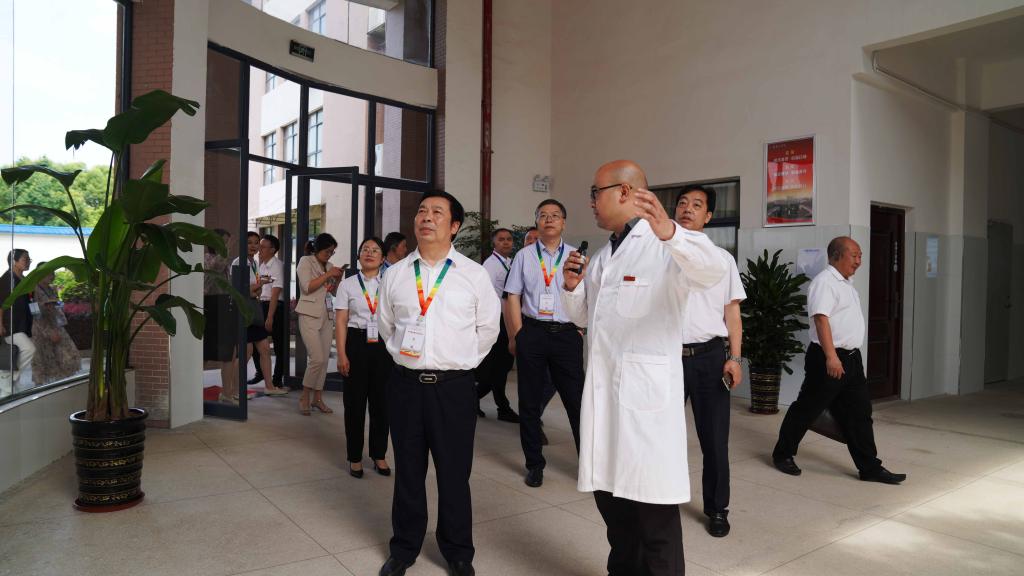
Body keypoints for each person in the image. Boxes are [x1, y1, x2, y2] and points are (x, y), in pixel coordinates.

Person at [561, 160, 726, 576]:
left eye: (595, 192)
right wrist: (572, 289)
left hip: (644, 408)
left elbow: (711, 270)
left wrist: (670, 232)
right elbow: (586, 320)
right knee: (616, 515)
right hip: (605, 402)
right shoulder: (604, 256)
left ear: (624, 192)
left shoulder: (666, 243)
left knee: (654, 520)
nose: (591, 202)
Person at [376, 190, 500, 576]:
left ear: (454, 226)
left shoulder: (473, 274)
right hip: (406, 387)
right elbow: (386, 326)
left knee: (454, 473)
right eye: (422, 211)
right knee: (408, 471)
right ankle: (404, 547)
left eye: (437, 212)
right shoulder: (396, 274)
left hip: (453, 388)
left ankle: (458, 551)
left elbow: (488, 329)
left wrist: (458, 363)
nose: (426, 217)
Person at [772, 237, 907, 485]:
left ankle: (870, 468)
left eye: (860, 255)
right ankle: (783, 454)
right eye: (854, 255)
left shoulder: (846, 284)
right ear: (836, 256)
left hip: (851, 359)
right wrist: (831, 356)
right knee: (807, 408)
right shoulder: (825, 282)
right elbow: (821, 319)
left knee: (860, 413)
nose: (859, 261)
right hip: (829, 357)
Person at [674, 185, 746, 537]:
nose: (687, 209)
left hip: (710, 358)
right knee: (661, 435)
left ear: (709, 216)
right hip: (666, 359)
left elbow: (732, 313)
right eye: (682, 203)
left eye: (697, 205)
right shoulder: (660, 256)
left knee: (715, 440)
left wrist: (735, 358)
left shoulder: (722, 260)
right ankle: (659, 501)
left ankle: (717, 509)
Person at [505, 199, 584, 488]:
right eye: (543, 215)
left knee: (577, 401)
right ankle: (534, 464)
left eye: (555, 215)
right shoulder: (524, 255)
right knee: (529, 401)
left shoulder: (576, 255)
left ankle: (588, 465)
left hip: (567, 334)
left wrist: (580, 328)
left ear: (564, 222)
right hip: (533, 332)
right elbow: (513, 295)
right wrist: (518, 334)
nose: (549, 219)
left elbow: (585, 294)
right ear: (537, 221)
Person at [335, 236, 393, 479]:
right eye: (365, 249)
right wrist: (341, 354)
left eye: (375, 250)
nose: (369, 253)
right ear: (359, 255)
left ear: (383, 257)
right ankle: (355, 457)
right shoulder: (347, 284)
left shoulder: (390, 283)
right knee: (354, 404)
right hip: (356, 343)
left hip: (383, 345)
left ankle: (379, 454)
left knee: (382, 404)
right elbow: (341, 321)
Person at [231, 232, 289, 400]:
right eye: (249, 242)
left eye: (256, 243)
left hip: (254, 309)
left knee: (264, 349)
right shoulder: (239, 262)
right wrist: (260, 284)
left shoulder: (255, 263)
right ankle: (234, 391)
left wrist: (257, 287)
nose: (254, 246)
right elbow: (240, 290)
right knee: (246, 353)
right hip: (244, 310)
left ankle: (269, 387)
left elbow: (254, 291)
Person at [296, 233, 345, 415]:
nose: (329, 255)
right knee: (316, 358)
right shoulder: (305, 261)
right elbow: (307, 287)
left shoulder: (330, 266)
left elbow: (334, 292)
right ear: (317, 249)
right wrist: (328, 275)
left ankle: (317, 398)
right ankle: (304, 396)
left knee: (324, 360)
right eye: (327, 251)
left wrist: (337, 280)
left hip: (327, 314)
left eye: (332, 252)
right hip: (309, 313)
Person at [474, 227, 519, 422]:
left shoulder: (511, 262)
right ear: (494, 243)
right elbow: (486, 295)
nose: (506, 242)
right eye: (501, 239)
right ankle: (482, 401)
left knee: (503, 366)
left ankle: (499, 406)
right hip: (497, 320)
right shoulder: (490, 265)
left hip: (510, 318)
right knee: (496, 367)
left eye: (509, 239)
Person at [30, 263, 82, 385]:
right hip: (42, 328)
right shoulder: (33, 290)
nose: (52, 275)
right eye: (49, 273)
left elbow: (58, 306)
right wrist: (48, 331)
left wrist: (57, 306)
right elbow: (35, 313)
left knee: (68, 354)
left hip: (56, 325)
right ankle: (42, 386)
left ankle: (61, 383)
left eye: (53, 272)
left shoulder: (52, 289)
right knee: (43, 360)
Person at [249, 234, 287, 388]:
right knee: (256, 341)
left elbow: (275, 293)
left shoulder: (277, 266)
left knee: (279, 346)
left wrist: (270, 317)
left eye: (263, 247)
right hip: (261, 305)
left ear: (273, 249)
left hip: (275, 307)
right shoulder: (261, 265)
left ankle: (277, 379)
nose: (259, 249)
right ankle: (260, 373)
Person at [0, 249, 36, 396]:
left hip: (23, 323)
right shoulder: (7, 279)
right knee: (29, 349)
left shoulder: (24, 279)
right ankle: (7, 377)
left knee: (18, 353)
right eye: (25, 259)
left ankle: (11, 384)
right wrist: (0, 324)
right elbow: (1, 304)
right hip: (11, 324)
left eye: (29, 259)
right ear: (14, 261)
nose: (28, 262)